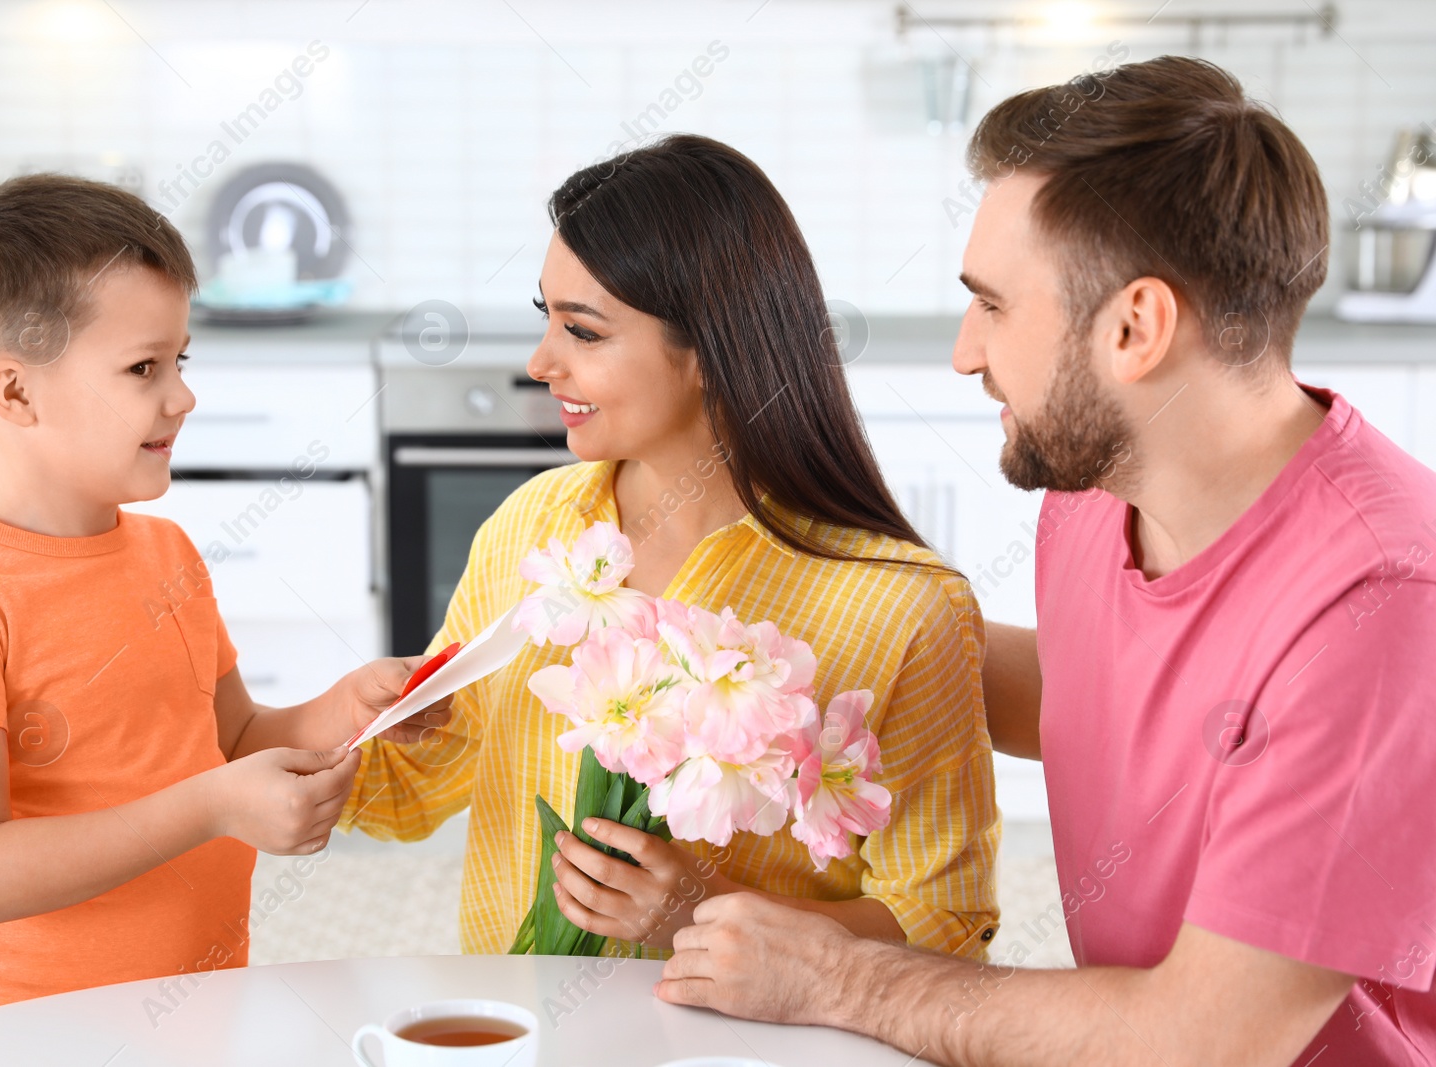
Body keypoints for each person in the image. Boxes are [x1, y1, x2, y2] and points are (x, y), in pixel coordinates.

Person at [654, 56, 1436, 1066]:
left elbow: (1208, 1036)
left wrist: (835, 977)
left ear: (1134, 327)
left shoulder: (1379, 599)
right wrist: (763, 648)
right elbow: (1106, 693)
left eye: (993, 303)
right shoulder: (1098, 488)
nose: (964, 351)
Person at [339, 134, 1001, 959]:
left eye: (583, 332)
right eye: (546, 319)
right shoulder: (533, 528)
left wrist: (706, 909)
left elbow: (944, 924)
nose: (542, 362)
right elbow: (417, 787)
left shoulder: (904, 607)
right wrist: (354, 727)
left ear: (707, 350)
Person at [0, 174, 444, 1016]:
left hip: (201, 1005)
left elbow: (233, 737)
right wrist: (212, 808)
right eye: (144, 366)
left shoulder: (167, 554)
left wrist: (348, 704)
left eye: (180, 359)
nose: (182, 395)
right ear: (15, 392)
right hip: (38, 1034)